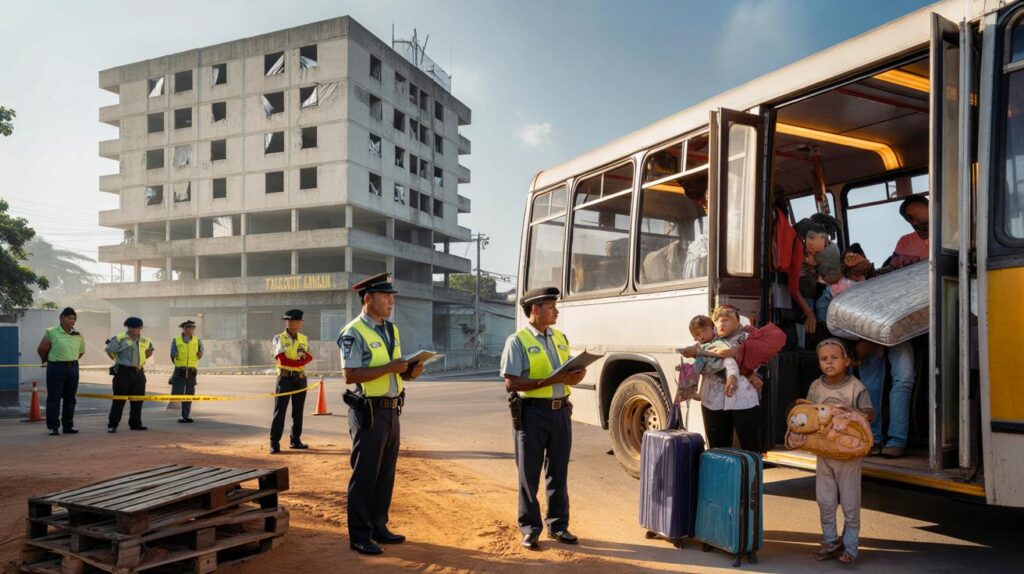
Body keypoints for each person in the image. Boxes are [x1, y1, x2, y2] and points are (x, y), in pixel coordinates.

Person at [339, 272, 425, 556]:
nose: (391, 300)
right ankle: (359, 535)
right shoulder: (353, 332)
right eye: (386, 296)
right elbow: (350, 375)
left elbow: (394, 371)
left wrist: (410, 371)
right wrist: (391, 367)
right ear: (368, 298)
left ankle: (378, 526)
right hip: (369, 413)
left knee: (385, 474)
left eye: (392, 296)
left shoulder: (391, 329)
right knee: (365, 475)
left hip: (391, 411)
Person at [500, 286, 586, 550]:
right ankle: (530, 529)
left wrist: (576, 375)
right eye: (550, 307)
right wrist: (553, 379)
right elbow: (511, 383)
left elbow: (566, 371)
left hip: (561, 412)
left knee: (558, 471)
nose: (556, 311)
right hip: (531, 413)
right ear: (535, 310)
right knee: (529, 474)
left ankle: (558, 526)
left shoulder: (560, 337)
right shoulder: (517, 341)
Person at [859, 195, 929, 458]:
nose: (915, 222)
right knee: (872, 379)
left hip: (912, 322)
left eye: (917, 215)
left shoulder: (950, 235)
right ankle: (872, 437)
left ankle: (897, 439)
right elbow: (894, 278)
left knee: (904, 376)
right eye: (910, 219)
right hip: (891, 317)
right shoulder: (905, 243)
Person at [807, 338, 875, 566]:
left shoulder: (856, 387)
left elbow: (869, 413)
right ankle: (829, 542)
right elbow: (808, 413)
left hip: (849, 455)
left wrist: (850, 413)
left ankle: (851, 547)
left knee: (850, 502)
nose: (829, 362)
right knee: (825, 500)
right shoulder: (816, 387)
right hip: (824, 453)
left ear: (847, 361)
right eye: (823, 359)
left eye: (834, 358)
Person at [682, 305, 762, 450]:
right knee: (717, 448)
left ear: (737, 322)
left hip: (743, 401)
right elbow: (703, 367)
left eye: (727, 319)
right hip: (713, 401)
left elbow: (750, 361)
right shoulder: (705, 344)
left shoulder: (746, 338)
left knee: (750, 447)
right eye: (718, 320)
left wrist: (747, 373)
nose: (722, 323)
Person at [269, 309, 314, 454]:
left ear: (301, 323)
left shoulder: (304, 339)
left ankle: (295, 440)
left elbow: (310, 356)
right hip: (285, 379)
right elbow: (282, 359)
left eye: (295, 321)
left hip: (300, 379)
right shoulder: (279, 338)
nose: (291, 323)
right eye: (288, 320)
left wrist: (298, 363)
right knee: (280, 411)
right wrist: (299, 363)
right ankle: (274, 443)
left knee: (298, 412)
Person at [36, 307, 85, 436]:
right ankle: (53, 427)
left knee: (70, 398)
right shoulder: (52, 332)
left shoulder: (77, 335)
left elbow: (81, 352)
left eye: (74, 319)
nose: (72, 321)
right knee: (54, 397)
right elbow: (42, 349)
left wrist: (70, 360)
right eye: (69, 318)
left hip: (72, 367)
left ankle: (68, 426)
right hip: (56, 367)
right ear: (61, 318)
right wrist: (46, 361)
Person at [105, 317, 154, 433]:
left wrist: (141, 360)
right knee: (119, 400)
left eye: (139, 328)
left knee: (138, 400)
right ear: (129, 328)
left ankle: (135, 423)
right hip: (123, 372)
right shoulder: (120, 339)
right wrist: (118, 359)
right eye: (135, 328)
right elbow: (109, 350)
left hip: (138, 372)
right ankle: (113, 424)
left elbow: (150, 351)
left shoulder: (144, 340)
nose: (138, 330)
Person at [169, 319, 203, 423]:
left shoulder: (197, 340)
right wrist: (178, 364)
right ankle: (173, 410)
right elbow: (173, 354)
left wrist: (199, 355)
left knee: (189, 394)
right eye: (189, 328)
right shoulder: (177, 340)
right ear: (184, 328)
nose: (191, 330)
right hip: (180, 370)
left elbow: (200, 353)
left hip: (192, 371)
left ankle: (185, 415)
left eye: (192, 328)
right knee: (177, 393)